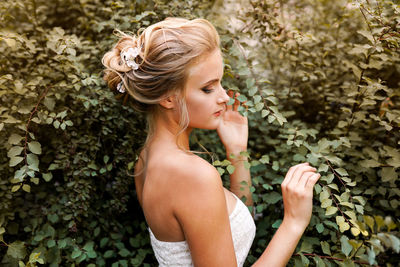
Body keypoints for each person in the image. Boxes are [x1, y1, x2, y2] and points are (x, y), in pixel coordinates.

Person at [102, 17, 321, 267]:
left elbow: (227, 234)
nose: (225, 97)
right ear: (167, 98)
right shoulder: (191, 175)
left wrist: (237, 152)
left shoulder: (148, 157)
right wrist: (293, 222)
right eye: (208, 88)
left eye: (220, 83)